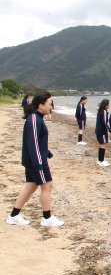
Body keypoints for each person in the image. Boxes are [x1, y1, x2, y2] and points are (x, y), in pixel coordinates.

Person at [6, 92, 64, 227]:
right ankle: (47, 218)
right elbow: (32, 143)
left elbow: (37, 141)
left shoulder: (37, 118)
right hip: (36, 161)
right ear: (41, 105)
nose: (51, 107)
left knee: (31, 187)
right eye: (49, 104)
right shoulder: (34, 119)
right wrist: (39, 163)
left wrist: (47, 152)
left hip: (34, 159)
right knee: (47, 186)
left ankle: (14, 215)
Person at [95, 99, 111, 167]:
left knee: (102, 145)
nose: (109, 105)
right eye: (109, 104)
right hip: (102, 131)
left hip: (98, 130)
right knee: (103, 145)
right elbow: (105, 122)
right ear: (106, 105)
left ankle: (100, 160)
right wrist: (110, 131)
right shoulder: (104, 111)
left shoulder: (100, 111)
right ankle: (101, 161)